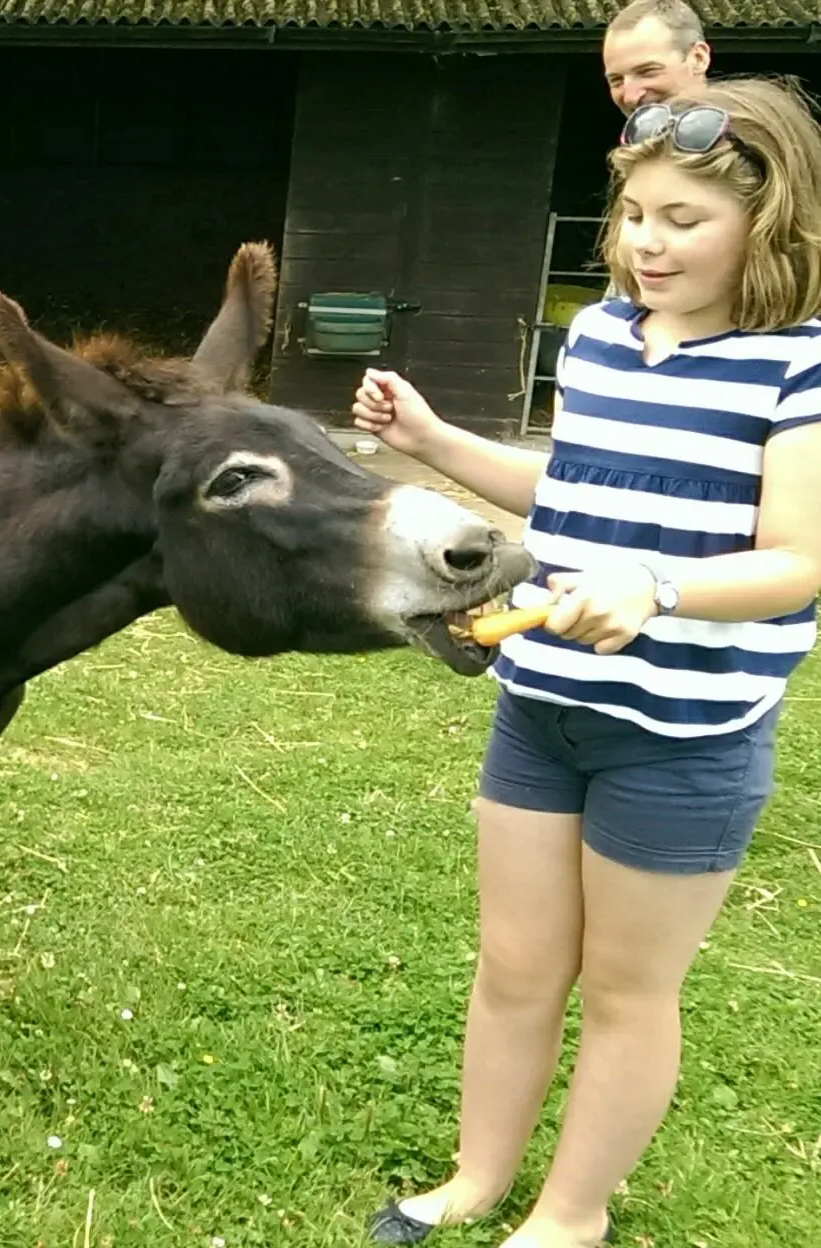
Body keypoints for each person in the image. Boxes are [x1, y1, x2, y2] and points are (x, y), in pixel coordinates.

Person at [351, 75, 821, 1248]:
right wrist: (438, 441)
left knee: (623, 993)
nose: (647, 245)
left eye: (684, 221)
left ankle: (573, 1215)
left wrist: (656, 589)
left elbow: (797, 562)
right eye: (636, 216)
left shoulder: (798, 364)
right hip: (542, 707)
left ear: (770, 224)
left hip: (681, 736)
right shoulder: (599, 336)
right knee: (513, 970)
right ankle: (475, 1179)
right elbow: (568, 499)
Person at [603, 0, 711, 116]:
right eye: (616, 80)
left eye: (647, 72)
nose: (630, 98)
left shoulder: (732, 130)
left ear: (699, 59)